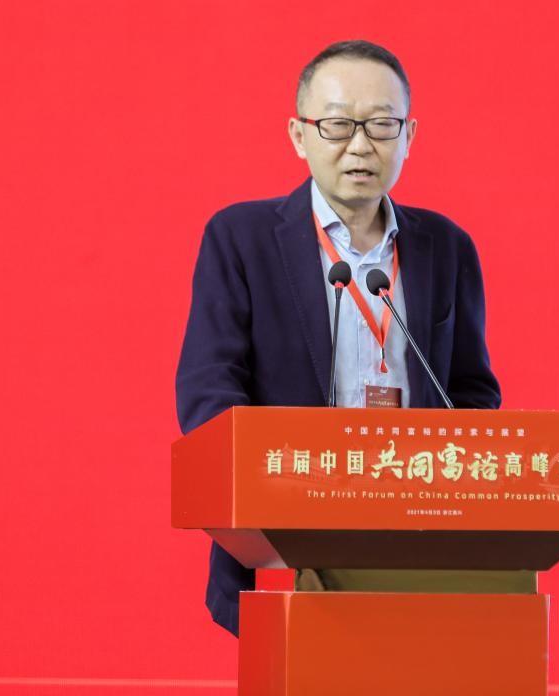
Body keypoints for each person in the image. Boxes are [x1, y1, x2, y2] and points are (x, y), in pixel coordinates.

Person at [175, 40, 502, 637]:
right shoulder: (241, 237)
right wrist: (275, 493)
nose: (360, 145)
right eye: (337, 125)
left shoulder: (447, 247)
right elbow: (208, 394)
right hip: (284, 539)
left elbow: (472, 395)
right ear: (299, 136)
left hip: (419, 539)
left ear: (409, 136)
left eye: (381, 124)